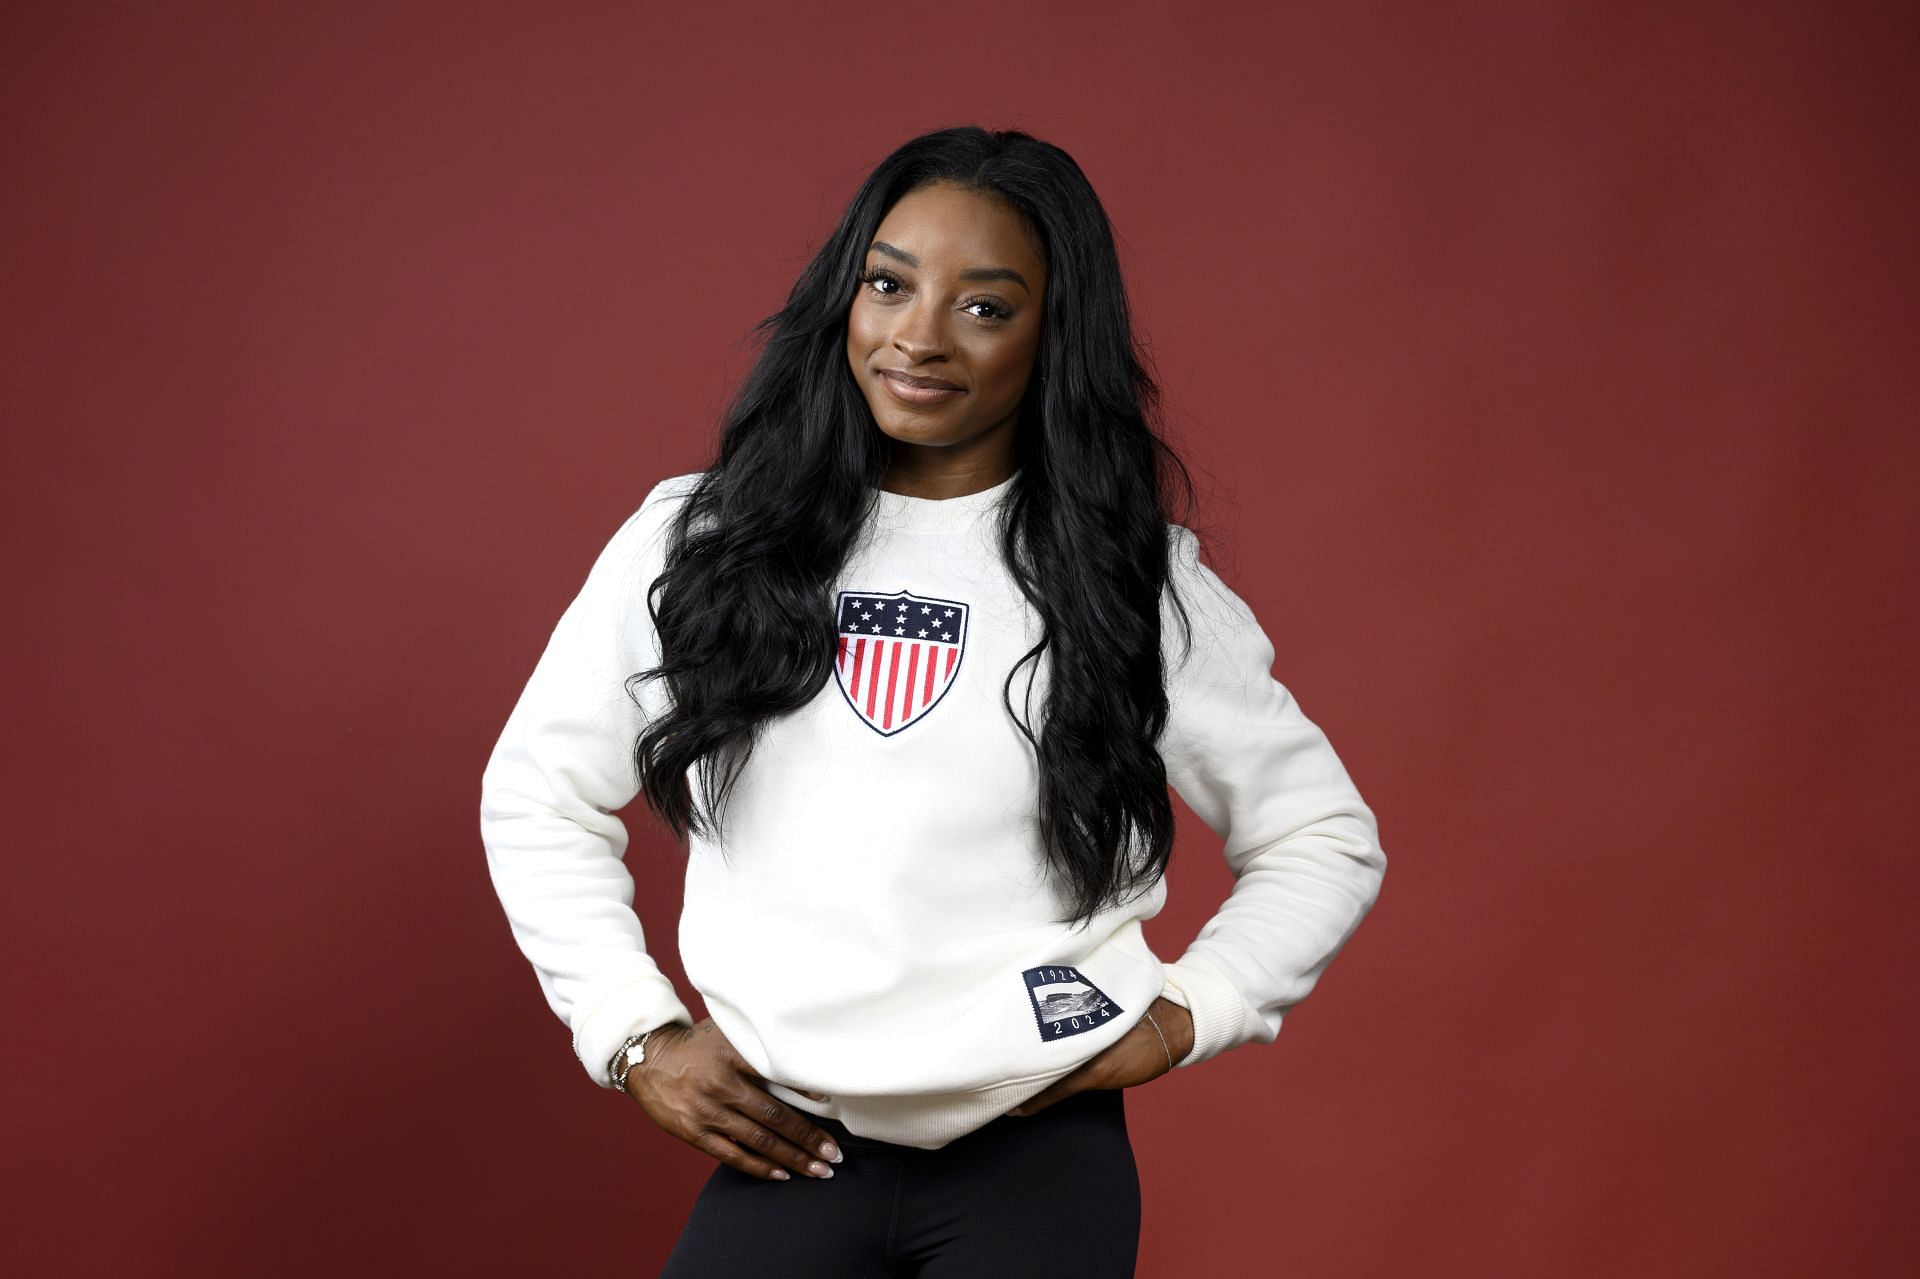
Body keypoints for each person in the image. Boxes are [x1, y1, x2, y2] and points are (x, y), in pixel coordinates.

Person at [479, 124, 1387, 1278]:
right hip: (789, 1148)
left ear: (1053, 336)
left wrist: (1190, 1010)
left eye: (985, 305)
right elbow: (537, 792)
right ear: (843, 298)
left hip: (1038, 1170)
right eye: (889, 284)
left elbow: (1322, 835)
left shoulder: (1129, 581)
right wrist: (633, 1033)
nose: (917, 335)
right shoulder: (701, 539)